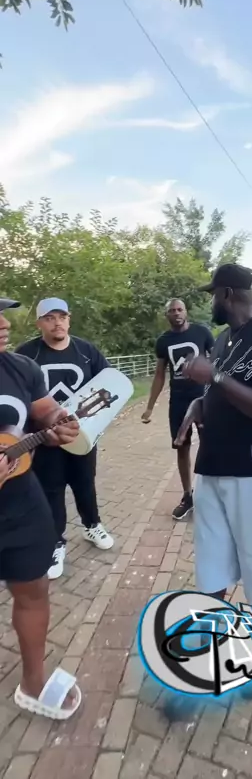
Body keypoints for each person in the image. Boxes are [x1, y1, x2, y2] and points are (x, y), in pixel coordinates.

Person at [176, 263, 252, 610]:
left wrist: (214, 376)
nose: (211, 302)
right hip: (212, 468)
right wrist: (200, 403)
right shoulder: (224, 339)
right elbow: (222, 390)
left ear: (227, 294)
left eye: (213, 294)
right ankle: (218, 629)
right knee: (211, 568)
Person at [0, 297, 82, 719]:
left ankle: (33, 683)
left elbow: (45, 410)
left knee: (34, 590)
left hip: (21, 505)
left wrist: (59, 421)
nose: (3, 323)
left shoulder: (21, 367)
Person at [16, 297, 114, 580]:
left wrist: (98, 424)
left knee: (85, 483)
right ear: (39, 323)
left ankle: (92, 525)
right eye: (49, 318)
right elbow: (20, 398)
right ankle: (56, 542)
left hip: (82, 435)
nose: (57, 323)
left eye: (62, 317)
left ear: (69, 320)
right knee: (51, 490)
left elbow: (110, 386)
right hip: (44, 439)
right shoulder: (26, 355)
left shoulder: (87, 351)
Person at [141, 299, 214, 520]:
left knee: (211, 445)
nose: (176, 313)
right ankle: (187, 496)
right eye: (172, 311)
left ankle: (211, 495)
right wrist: (150, 407)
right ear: (167, 315)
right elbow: (159, 375)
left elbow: (217, 362)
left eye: (180, 309)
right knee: (181, 447)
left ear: (186, 312)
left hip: (204, 399)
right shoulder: (163, 341)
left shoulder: (202, 333)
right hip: (178, 402)